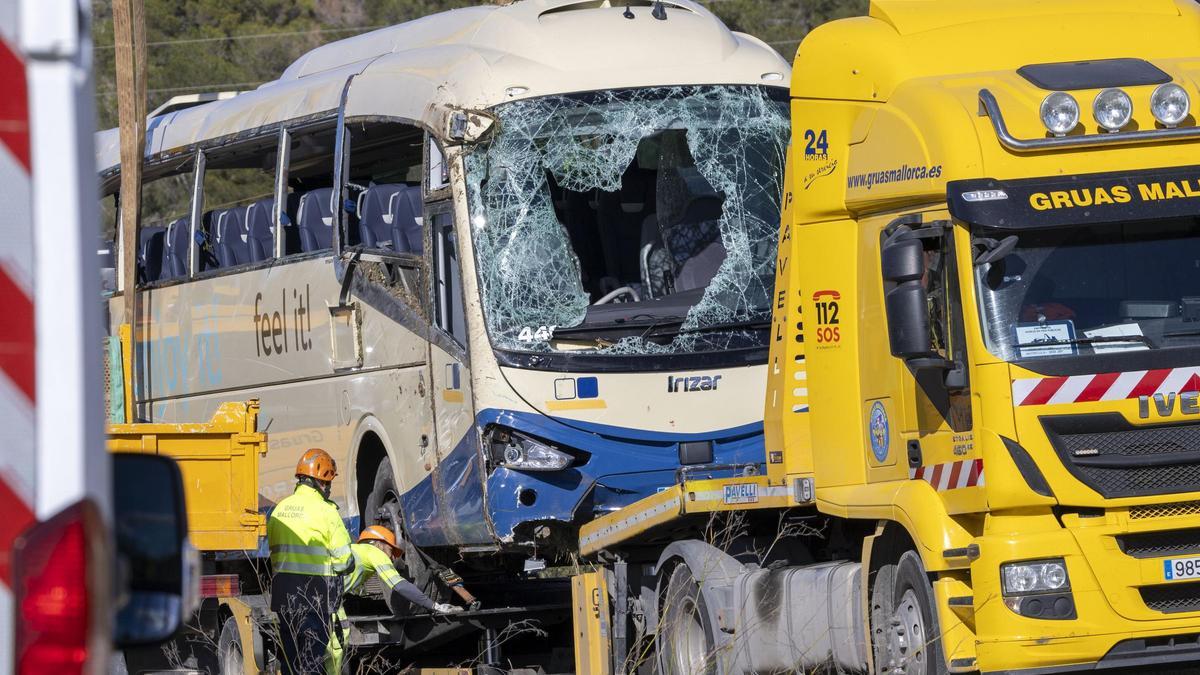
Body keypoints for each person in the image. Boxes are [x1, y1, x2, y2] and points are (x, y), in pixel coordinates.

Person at [325, 525, 461, 674]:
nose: (392, 557)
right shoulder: (375, 553)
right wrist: (435, 605)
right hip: (327, 601)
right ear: (380, 543)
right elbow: (400, 586)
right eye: (391, 551)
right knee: (336, 648)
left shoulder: (355, 552)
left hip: (317, 596)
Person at [267, 448, 355, 675]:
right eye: (328, 483)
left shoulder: (279, 511)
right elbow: (344, 561)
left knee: (290, 658)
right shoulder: (326, 512)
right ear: (321, 482)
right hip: (315, 596)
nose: (329, 489)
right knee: (311, 661)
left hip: (285, 597)